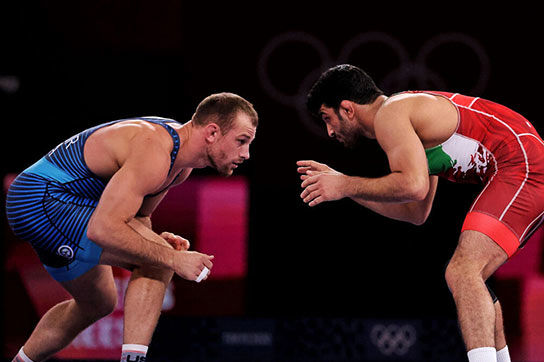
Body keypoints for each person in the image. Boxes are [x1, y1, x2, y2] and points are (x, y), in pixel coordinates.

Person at [298, 64, 544, 362]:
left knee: (463, 271)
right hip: (525, 165)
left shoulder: (391, 113)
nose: (329, 131)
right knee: (471, 277)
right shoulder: (410, 122)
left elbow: (412, 186)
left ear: (348, 109)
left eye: (328, 118)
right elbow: (415, 211)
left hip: (526, 166)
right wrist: (347, 189)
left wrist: (345, 183)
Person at [6, 92, 258, 362]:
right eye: (241, 142)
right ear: (212, 132)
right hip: (39, 201)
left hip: (62, 203)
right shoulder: (155, 149)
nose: (246, 154)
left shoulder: (181, 165)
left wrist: (154, 241)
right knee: (159, 261)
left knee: (98, 303)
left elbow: (136, 217)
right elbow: (102, 229)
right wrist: (171, 257)